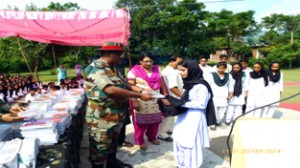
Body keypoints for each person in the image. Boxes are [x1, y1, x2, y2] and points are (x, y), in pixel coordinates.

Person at [84, 42, 153, 168]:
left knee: (113, 142)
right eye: (119, 54)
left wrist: (142, 90)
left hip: (116, 112)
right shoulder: (96, 67)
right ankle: (97, 166)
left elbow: (125, 83)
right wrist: (138, 96)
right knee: (100, 145)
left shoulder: (114, 67)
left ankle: (112, 163)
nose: (121, 57)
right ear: (109, 53)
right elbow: (110, 89)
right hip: (101, 115)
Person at [172, 59, 214, 168]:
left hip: (195, 118)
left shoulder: (201, 85)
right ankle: (181, 164)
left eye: (183, 70)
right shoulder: (190, 83)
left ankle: (192, 165)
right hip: (185, 116)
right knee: (180, 140)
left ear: (191, 70)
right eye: (179, 70)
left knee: (191, 144)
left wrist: (181, 103)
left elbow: (201, 104)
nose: (180, 73)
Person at [127, 52, 167, 150]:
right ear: (140, 61)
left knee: (155, 120)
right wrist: (134, 100)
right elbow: (130, 86)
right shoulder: (134, 71)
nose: (148, 63)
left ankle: (152, 137)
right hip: (140, 99)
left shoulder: (157, 69)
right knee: (140, 122)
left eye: (150, 61)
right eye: (146, 61)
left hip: (155, 99)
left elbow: (161, 82)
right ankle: (140, 141)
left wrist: (165, 94)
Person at [158, 55, 183, 142]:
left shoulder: (166, 70)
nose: (180, 65)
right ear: (171, 61)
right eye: (178, 63)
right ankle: (162, 133)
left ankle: (168, 129)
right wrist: (182, 96)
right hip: (172, 96)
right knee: (169, 116)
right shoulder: (172, 72)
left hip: (169, 95)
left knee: (170, 116)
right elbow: (173, 87)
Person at [208, 62, 233, 130]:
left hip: (224, 95)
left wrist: (231, 94)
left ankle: (218, 121)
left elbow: (231, 86)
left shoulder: (229, 76)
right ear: (217, 68)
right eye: (219, 68)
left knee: (222, 109)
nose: (221, 69)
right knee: (214, 110)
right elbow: (208, 85)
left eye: (223, 68)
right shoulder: (212, 75)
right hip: (214, 95)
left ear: (225, 68)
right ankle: (212, 124)